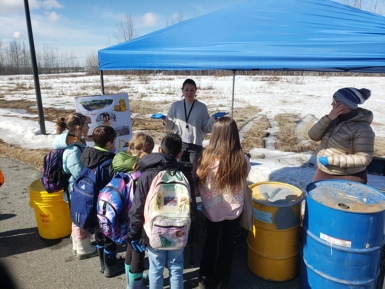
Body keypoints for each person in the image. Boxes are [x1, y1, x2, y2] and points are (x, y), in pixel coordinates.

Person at [128, 133, 197, 289]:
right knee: (176, 267)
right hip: (179, 229)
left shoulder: (148, 174)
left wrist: (133, 232)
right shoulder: (185, 174)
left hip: (154, 229)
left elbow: (138, 206)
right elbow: (191, 206)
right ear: (180, 154)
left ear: (159, 149)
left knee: (156, 268)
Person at [194, 117, 251, 289]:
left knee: (210, 241)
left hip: (210, 209)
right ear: (234, 135)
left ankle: (204, 276)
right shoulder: (242, 159)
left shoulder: (204, 157)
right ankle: (221, 281)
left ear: (215, 134)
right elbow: (245, 177)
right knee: (227, 245)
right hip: (233, 210)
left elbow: (199, 179)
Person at [111, 133, 155, 289]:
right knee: (138, 247)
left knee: (131, 243)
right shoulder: (141, 169)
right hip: (138, 214)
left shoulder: (121, 162)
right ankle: (136, 284)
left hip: (124, 212)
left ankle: (130, 278)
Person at [79, 125, 123, 278]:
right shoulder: (109, 162)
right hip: (106, 206)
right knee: (109, 235)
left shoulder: (88, 155)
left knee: (99, 233)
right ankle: (110, 266)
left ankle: (102, 264)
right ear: (109, 143)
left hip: (91, 204)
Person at [151, 78, 227, 163]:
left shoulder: (201, 107)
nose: (189, 93)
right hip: (179, 145)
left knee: (194, 171)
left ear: (195, 91)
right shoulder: (175, 106)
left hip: (195, 145)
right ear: (182, 91)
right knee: (179, 170)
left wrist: (213, 119)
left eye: (192, 90)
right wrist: (164, 118)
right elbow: (171, 126)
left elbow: (206, 128)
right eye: (186, 90)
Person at [308, 87, 374, 184]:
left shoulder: (362, 128)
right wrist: (328, 119)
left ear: (347, 104)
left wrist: (331, 160)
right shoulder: (332, 119)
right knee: (313, 196)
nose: (332, 104)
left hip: (348, 176)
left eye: (336, 101)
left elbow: (364, 158)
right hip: (324, 170)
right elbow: (313, 136)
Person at [52, 112, 93, 259]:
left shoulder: (76, 143)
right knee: (80, 218)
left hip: (75, 188)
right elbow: (79, 172)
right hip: (76, 189)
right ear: (78, 128)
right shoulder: (73, 149)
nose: (89, 127)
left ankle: (77, 244)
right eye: (87, 125)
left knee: (77, 218)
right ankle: (83, 247)